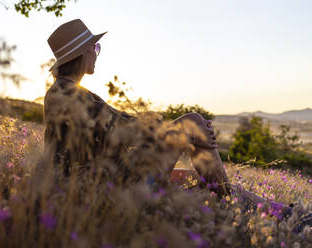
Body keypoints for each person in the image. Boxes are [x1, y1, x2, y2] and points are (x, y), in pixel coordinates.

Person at [43, 20, 311, 232]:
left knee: (198, 179)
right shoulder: (71, 96)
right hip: (110, 191)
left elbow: (117, 129)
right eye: (95, 47)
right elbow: (127, 132)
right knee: (193, 122)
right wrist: (178, 128)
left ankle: (285, 213)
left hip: (108, 182)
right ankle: (262, 209)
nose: (97, 53)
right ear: (81, 53)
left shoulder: (66, 93)